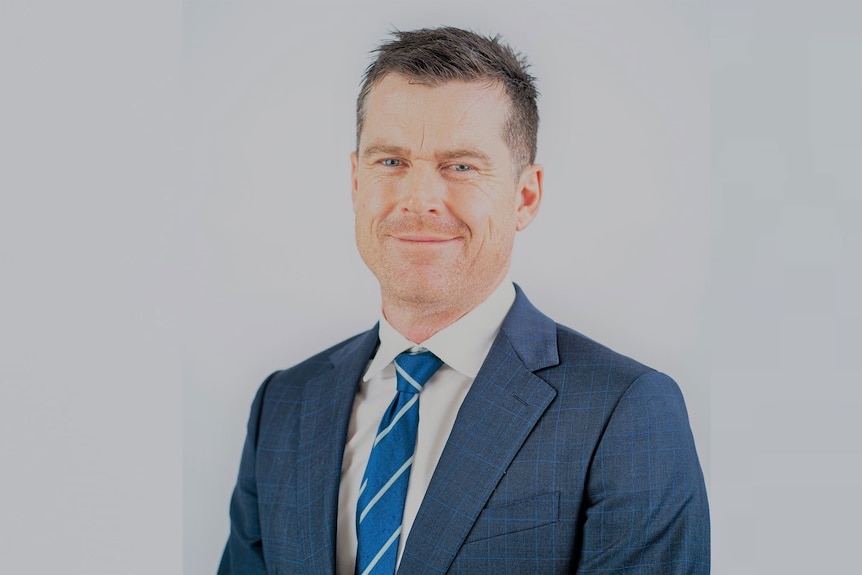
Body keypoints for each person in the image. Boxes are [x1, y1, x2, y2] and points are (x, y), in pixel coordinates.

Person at [218, 26, 709, 574]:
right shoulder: (284, 405)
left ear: (526, 196)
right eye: (390, 162)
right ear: (356, 182)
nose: (420, 198)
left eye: (461, 166)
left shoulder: (625, 412)